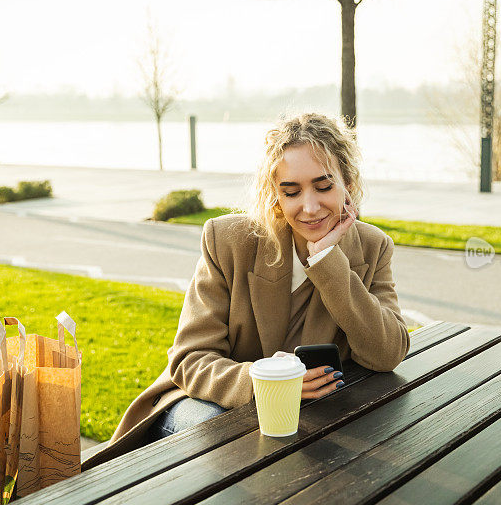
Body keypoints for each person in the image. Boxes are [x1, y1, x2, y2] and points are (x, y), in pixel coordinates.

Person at [82, 112, 409, 469]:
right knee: (248, 442)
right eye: (292, 191)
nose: (310, 206)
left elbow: (387, 353)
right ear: (275, 196)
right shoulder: (228, 241)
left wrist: (329, 261)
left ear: (347, 182)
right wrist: (265, 382)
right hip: (209, 405)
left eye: (324, 185)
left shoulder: (374, 247)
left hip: (305, 417)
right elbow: (190, 360)